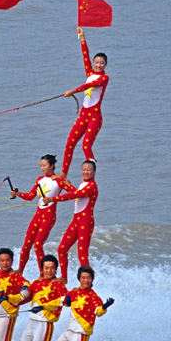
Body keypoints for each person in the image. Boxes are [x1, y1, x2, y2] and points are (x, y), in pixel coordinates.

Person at [60, 27, 109, 177]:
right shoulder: (90, 73)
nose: (98, 65)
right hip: (83, 115)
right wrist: (82, 38)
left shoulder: (104, 78)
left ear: (105, 65)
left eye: (102, 63)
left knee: (86, 145)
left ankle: (91, 173)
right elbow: (85, 56)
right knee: (69, 144)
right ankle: (63, 174)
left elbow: (88, 86)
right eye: (97, 62)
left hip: (94, 117)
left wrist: (73, 91)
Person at [42, 160, 98, 282]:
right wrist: (69, 185)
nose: (86, 172)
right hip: (76, 221)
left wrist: (52, 198)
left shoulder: (92, 186)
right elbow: (76, 194)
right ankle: (64, 277)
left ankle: (87, 282)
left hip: (86, 222)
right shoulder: (84, 183)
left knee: (82, 253)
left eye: (89, 170)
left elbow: (73, 196)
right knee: (61, 249)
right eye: (84, 169)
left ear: (94, 171)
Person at [15, 255, 68, 341]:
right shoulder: (37, 283)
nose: (49, 271)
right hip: (31, 322)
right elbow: (25, 298)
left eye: (52, 268)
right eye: (46, 268)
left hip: (45, 323)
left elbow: (66, 301)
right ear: (42, 269)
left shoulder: (59, 285)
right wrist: (10, 298)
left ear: (56, 269)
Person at [11, 154, 62, 275]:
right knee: (27, 242)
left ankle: (43, 273)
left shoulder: (59, 181)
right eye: (41, 166)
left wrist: (53, 199)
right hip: (38, 215)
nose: (42, 168)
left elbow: (73, 194)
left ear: (52, 165)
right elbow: (30, 196)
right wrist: (18, 194)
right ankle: (20, 270)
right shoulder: (40, 179)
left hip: (49, 216)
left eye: (44, 165)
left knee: (38, 244)